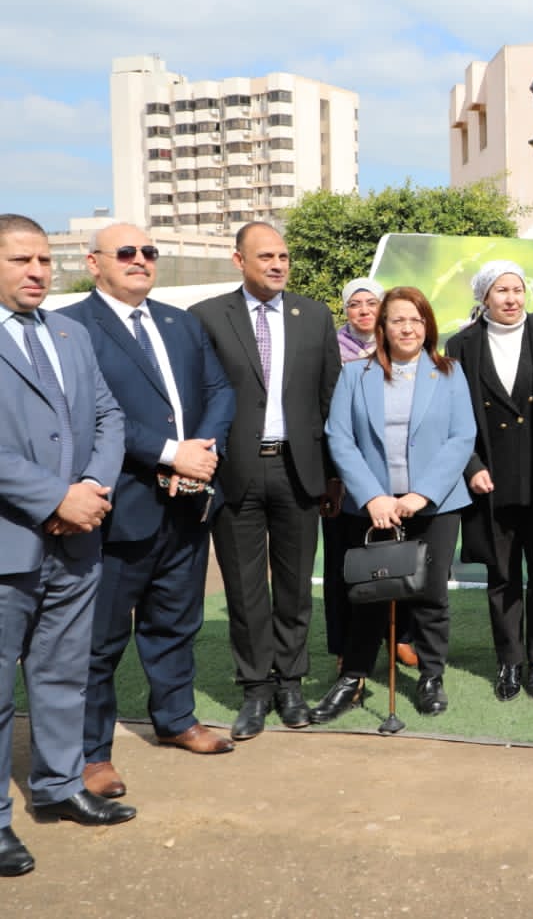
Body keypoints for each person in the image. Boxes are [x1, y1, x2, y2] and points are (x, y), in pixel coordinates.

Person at [61, 225, 238, 803]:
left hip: (188, 502)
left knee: (175, 622)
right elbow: (89, 412)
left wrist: (201, 453)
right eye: (126, 252)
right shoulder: (72, 327)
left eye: (149, 252)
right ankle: (91, 753)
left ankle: (176, 718)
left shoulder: (180, 322)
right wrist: (169, 453)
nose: (140, 260)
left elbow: (220, 390)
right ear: (94, 263)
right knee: (101, 640)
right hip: (118, 509)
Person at [0, 214, 132, 878]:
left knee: (61, 674)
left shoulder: (69, 333)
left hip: (77, 542)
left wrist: (89, 489)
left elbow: (109, 416)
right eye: (21, 260)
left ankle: (57, 786)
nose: (37, 272)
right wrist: (56, 498)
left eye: (45, 260)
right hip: (10, 545)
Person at [191, 222, 341, 740]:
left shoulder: (314, 315)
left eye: (283, 256)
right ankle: (255, 687)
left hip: (300, 470)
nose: (278, 265)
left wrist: (333, 475)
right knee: (245, 587)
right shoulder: (207, 317)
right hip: (236, 471)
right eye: (266, 257)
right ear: (239, 261)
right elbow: (197, 396)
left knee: (296, 587)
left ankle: (290, 684)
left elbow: (330, 397)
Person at [310, 287, 475, 721]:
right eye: (398, 319)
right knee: (368, 593)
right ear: (382, 327)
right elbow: (339, 438)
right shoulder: (355, 374)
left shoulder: (450, 373)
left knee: (431, 593)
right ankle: (353, 677)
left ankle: (431, 675)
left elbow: (462, 437)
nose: (407, 328)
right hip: (373, 507)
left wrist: (424, 493)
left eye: (416, 320)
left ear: (428, 326)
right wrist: (373, 496)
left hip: (434, 506)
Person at [447, 261, 533, 702]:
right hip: (490, 481)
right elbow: (453, 415)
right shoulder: (461, 345)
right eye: (501, 290)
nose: (511, 298)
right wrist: (471, 466)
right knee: (501, 575)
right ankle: (509, 661)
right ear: (484, 297)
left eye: (517, 289)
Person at [324, 278, 416, 671]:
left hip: (396, 475)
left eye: (371, 302)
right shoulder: (329, 351)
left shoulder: (402, 348)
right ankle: (346, 646)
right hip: (343, 476)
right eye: (354, 304)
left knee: (400, 557)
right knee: (345, 564)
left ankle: (400, 637)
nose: (363, 310)